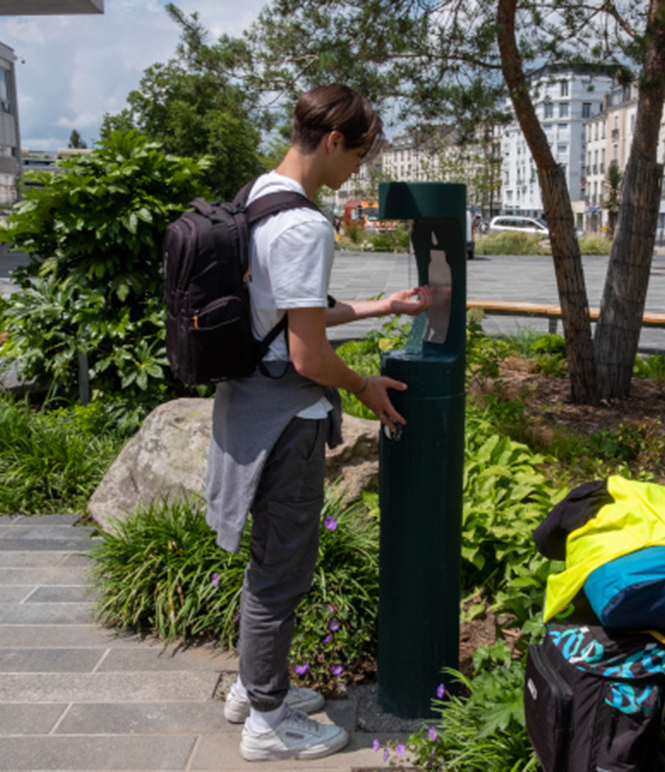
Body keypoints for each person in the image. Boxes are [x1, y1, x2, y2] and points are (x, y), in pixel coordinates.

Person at [205, 84, 433, 763]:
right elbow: (306, 351)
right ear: (334, 140)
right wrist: (364, 384)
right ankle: (269, 724)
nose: (357, 170)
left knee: (267, 565)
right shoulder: (304, 224)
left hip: (247, 404)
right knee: (282, 572)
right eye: (359, 155)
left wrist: (379, 306)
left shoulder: (257, 197)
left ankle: (254, 690)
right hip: (286, 420)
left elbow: (287, 311)